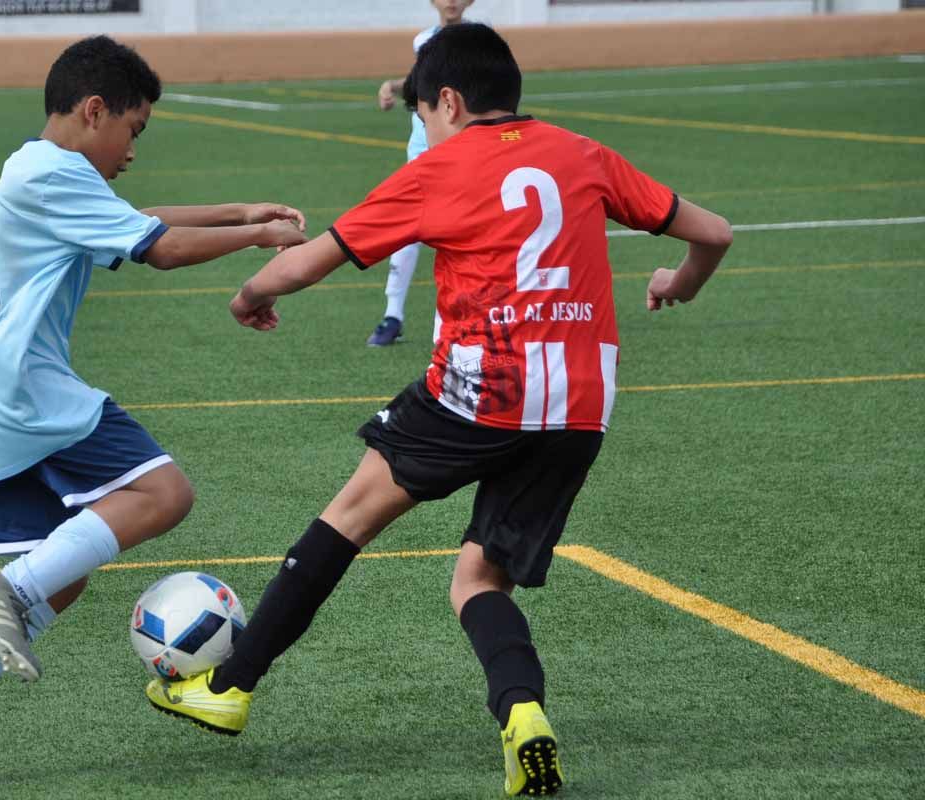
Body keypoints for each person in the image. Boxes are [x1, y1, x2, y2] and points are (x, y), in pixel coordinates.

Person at [146, 23, 732, 798]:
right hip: (581, 406)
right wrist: (678, 281)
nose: (422, 129)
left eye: (422, 115)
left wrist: (249, 295)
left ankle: (227, 690)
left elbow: (310, 259)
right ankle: (523, 718)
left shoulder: (440, 167)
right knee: (478, 582)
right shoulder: (583, 154)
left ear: (449, 101)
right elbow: (713, 233)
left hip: (481, 389)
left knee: (351, 513)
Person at [0, 35, 307, 791]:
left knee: (59, 576)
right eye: (132, 131)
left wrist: (238, 207)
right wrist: (262, 236)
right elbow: (161, 248)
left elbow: (136, 218)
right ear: (93, 109)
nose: (133, 150)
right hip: (24, 390)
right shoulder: (48, 172)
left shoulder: (48, 172)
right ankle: (1, 595)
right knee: (164, 493)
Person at [367, 0, 474, 346]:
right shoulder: (423, 40)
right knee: (408, 229)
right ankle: (392, 314)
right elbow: (420, 81)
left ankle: (454, 317)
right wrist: (394, 87)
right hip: (423, 150)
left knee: (462, 231)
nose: (452, 1)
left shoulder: (478, 38)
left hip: (462, 148)